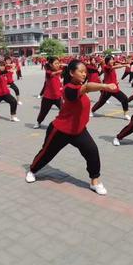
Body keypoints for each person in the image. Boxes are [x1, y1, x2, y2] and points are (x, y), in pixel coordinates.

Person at [25, 59, 116, 195]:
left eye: (85, 72)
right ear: (72, 73)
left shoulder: (79, 86)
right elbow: (87, 87)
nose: (84, 74)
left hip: (78, 130)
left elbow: (87, 87)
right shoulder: (69, 88)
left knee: (92, 151)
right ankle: (32, 170)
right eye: (81, 71)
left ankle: (95, 181)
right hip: (60, 130)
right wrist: (105, 86)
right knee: (46, 153)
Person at [34, 56, 64, 129]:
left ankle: (65, 123)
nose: (57, 65)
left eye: (58, 63)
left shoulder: (59, 70)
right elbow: (53, 73)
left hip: (58, 97)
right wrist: (62, 69)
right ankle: (38, 122)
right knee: (43, 112)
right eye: (55, 63)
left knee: (64, 110)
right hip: (48, 97)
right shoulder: (48, 72)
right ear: (50, 64)